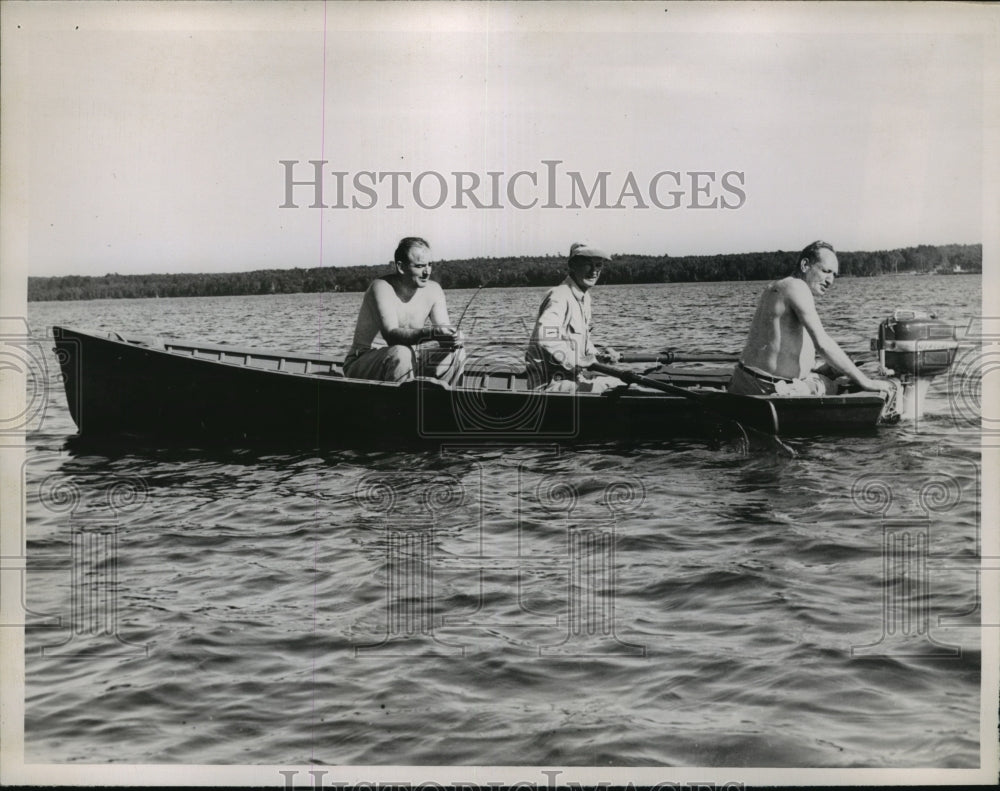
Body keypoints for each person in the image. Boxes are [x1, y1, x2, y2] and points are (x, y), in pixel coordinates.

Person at [729, 240, 893, 397]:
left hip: (743, 381)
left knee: (834, 372)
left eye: (834, 274)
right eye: (826, 271)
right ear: (805, 265)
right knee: (837, 384)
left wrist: (821, 366)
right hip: (769, 389)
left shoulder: (777, 287)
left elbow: (780, 349)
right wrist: (867, 382)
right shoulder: (798, 287)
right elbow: (823, 344)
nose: (831, 281)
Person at [343, 237, 465, 385]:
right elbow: (392, 336)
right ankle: (401, 406)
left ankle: (442, 401)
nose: (427, 272)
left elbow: (443, 330)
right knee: (401, 352)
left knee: (456, 352)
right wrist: (432, 333)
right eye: (420, 266)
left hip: (409, 359)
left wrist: (453, 337)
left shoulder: (434, 290)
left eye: (430, 265)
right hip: (363, 361)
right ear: (401, 267)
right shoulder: (381, 287)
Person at [524, 242, 622, 392]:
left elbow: (584, 345)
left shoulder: (585, 298)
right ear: (572, 265)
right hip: (548, 384)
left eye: (598, 265)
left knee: (619, 383)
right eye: (588, 265)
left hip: (572, 378)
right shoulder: (559, 296)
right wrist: (580, 360)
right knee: (607, 388)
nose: (594, 271)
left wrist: (600, 356)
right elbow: (547, 337)